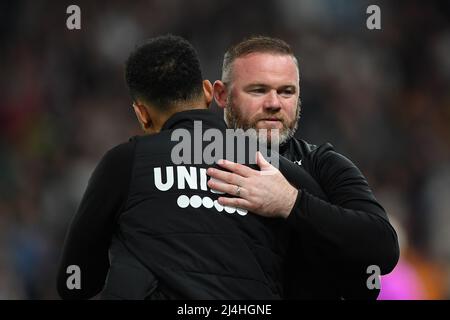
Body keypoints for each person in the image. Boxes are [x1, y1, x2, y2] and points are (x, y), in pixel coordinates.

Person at [56, 35, 316, 299]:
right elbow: (330, 247)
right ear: (206, 91)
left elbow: (73, 283)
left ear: (142, 114)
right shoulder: (270, 164)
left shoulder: (125, 162)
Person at [208, 36, 400, 299]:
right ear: (221, 94)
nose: (274, 103)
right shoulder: (191, 160)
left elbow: (382, 249)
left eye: (287, 91)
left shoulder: (323, 163)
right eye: (258, 90)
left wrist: (290, 202)